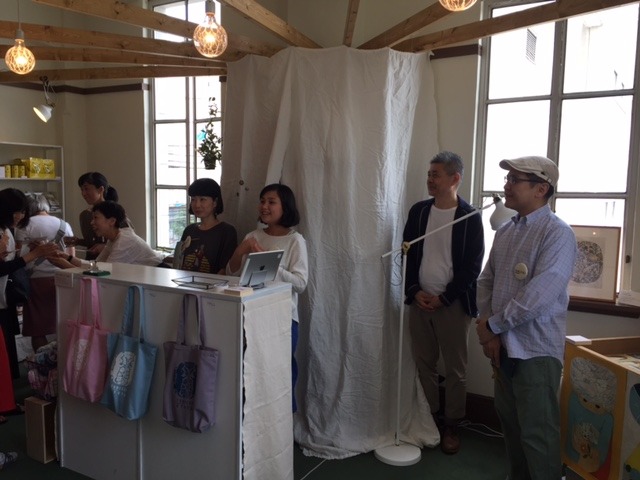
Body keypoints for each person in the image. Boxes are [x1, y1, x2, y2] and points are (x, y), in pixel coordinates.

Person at [475, 156, 577, 480]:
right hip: (502, 348)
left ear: (541, 189)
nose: (506, 185)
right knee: (512, 428)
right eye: (507, 178)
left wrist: (492, 325)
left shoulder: (558, 234)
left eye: (514, 179)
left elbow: (540, 295)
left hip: (536, 352)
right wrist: (488, 328)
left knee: (538, 436)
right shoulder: (505, 232)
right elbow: (486, 281)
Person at [402, 151, 484, 454]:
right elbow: (406, 253)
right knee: (424, 364)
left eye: (435, 174)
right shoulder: (419, 211)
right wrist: (414, 291)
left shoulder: (470, 217)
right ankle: (429, 420)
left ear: (455, 178)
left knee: (455, 369)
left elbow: (473, 267)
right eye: (429, 174)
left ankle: (452, 425)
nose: (430, 180)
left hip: (453, 305)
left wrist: (445, 297)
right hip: (419, 301)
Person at [226, 183, 308, 411]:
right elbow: (231, 274)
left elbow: (301, 284)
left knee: (280, 374)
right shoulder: (252, 236)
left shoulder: (295, 240)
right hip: (251, 316)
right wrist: (241, 249)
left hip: (283, 319)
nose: (264, 206)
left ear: (285, 206)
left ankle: (285, 423)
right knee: (252, 374)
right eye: (262, 201)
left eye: (271, 202)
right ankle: (253, 425)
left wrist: (271, 264)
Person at [0, 189, 59, 380]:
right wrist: (33, 255)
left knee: (8, 348)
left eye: (24, 211)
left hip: (5, 298)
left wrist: (28, 252)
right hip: (3, 297)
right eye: (17, 211)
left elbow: (8, 261)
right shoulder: (4, 230)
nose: (21, 216)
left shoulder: (7, 230)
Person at [14, 193, 75, 352]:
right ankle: (61, 363)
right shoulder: (64, 225)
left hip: (35, 281)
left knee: (38, 329)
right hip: (63, 279)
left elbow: (18, 257)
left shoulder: (23, 226)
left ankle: (41, 363)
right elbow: (72, 256)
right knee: (64, 325)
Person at [53, 201, 163, 268]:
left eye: (96, 218)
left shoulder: (124, 241)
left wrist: (63, 264)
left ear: (111, 221)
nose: (92, 223)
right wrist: (67, 257)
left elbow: (103, 272)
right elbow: (96, 264)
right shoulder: (114, 238)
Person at [176, 178, 237, 274]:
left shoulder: (227, 231)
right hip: (185, 281)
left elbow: (225, 270)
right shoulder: (189, 230)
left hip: (213, 283)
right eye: (193, 199)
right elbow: (179, 262)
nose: (197, 205)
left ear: (215, 202)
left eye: (202, 199)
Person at [64, 172, 119, 259]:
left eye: (86, 189)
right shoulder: (85, 215)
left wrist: (105, 248)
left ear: (100, 189)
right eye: (82, 190)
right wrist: (78, 241)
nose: (83, 193)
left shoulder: (115, 212)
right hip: (92, 262)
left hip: (112, 261)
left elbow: (126, 240)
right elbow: (92, 242)